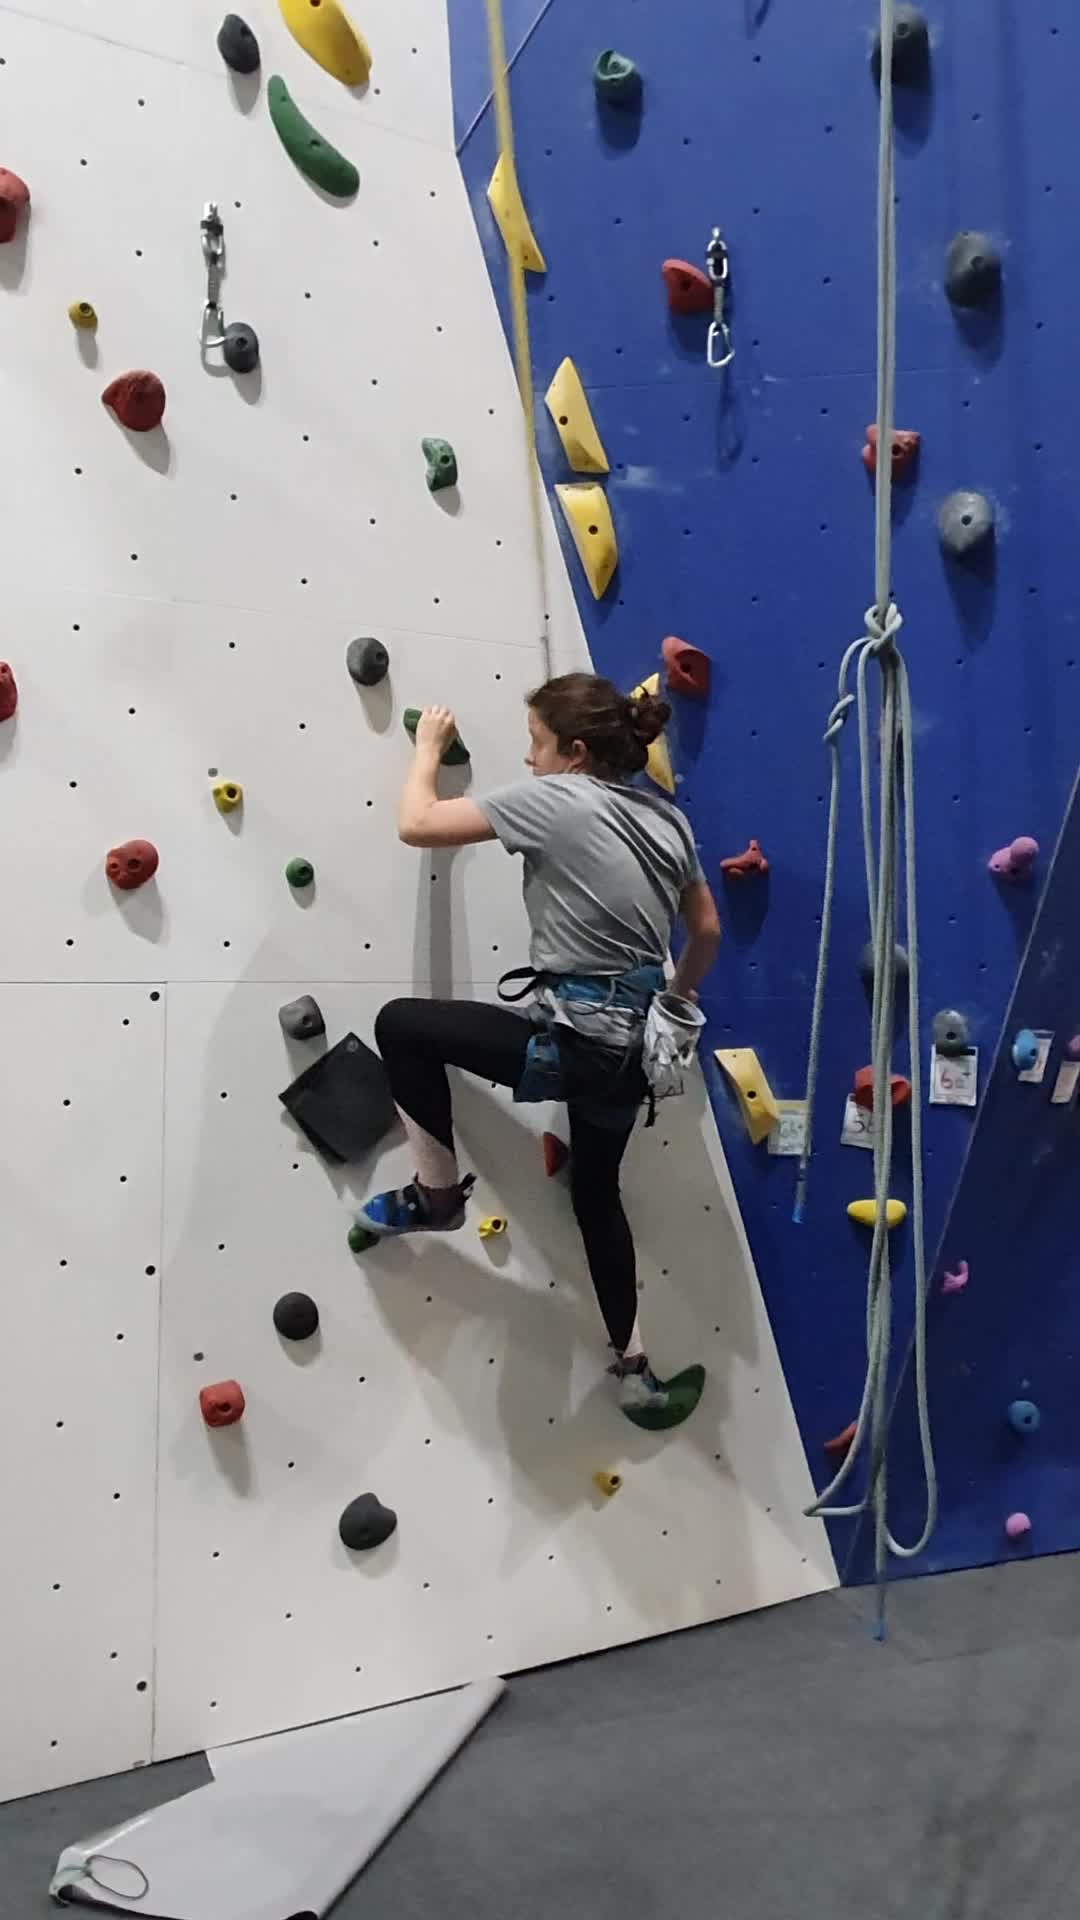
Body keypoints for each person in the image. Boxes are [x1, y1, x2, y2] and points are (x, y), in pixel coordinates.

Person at [356, 673, 722, 1423]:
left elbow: (418, 824)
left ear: (575, 753)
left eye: (537, 743)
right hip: (633, 1060)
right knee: (596, 1193)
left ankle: (435, 1196)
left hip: (575, 1045)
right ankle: (635, 1375)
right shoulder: (669, 823)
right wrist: (673, 1002)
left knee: (401, 1025)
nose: (529, 759)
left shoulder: (559, 797)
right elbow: (707, 932)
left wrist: (427, 748)